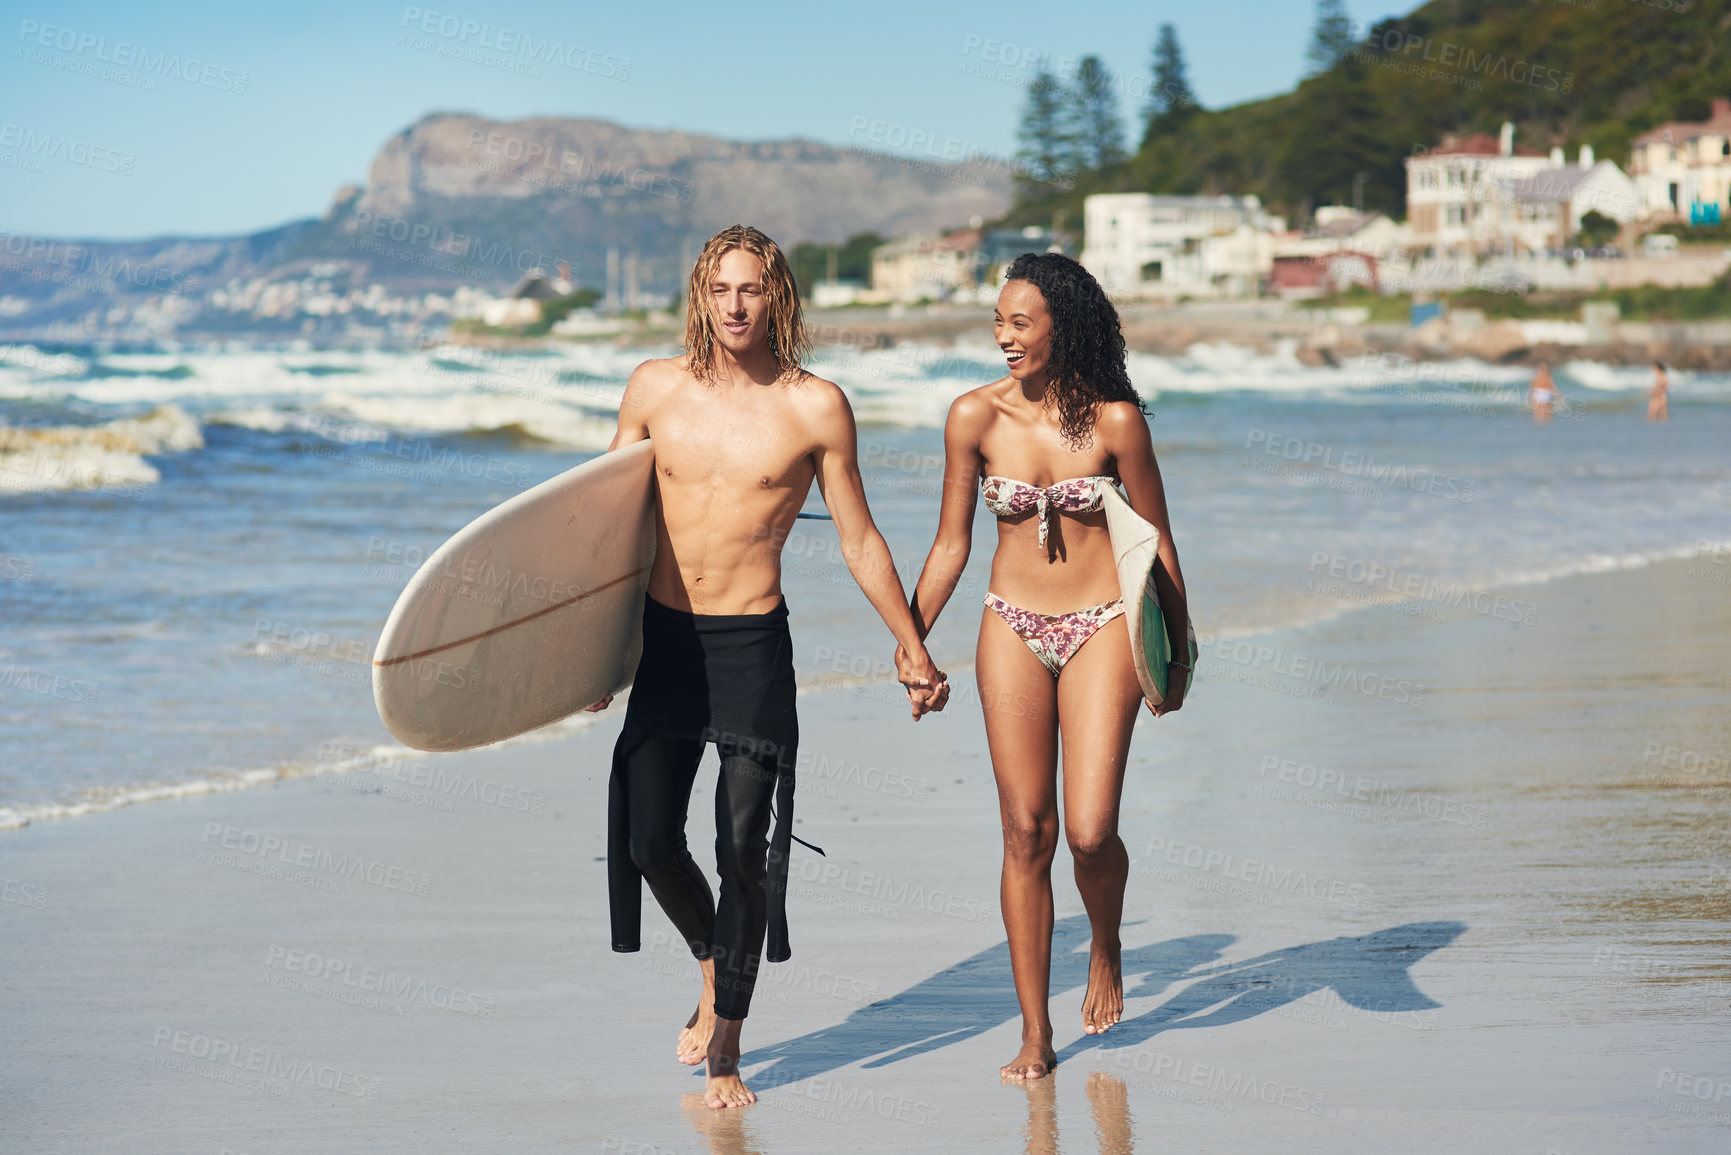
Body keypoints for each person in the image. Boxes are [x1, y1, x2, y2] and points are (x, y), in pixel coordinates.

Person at [589, 225, 947, 1109]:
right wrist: (585, 651)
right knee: (646, 841)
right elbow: (598, 526)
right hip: (665, 642)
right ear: (699, 296)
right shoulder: (654, 388)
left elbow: (858, 538)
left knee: (741, 851)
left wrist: (910, 642)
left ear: (777, 296)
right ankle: (714, 962)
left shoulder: (814, 406)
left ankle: (728, 1050)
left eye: (750, 289)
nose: (735, 305)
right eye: (719, 289)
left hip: (750, 648)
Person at [899, 252, 1188, 1080]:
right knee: (1026, 830)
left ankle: (1104, 941)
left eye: (1020, 322)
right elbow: (952, 542)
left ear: (1064, 323)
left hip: (1102, 624)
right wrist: (912, 638)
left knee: (1090, 832)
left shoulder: (1115, 423)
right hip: (1009, 624)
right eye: (998, 322)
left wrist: (1174, 653)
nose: (1003, 337)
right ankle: (1035, 1031)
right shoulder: (971, 418)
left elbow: (1158, 541)